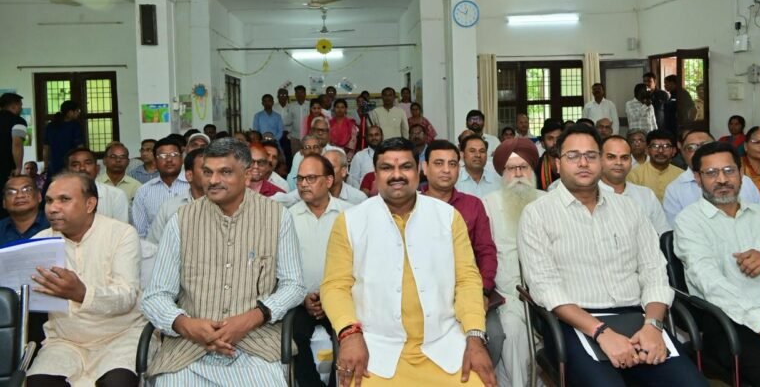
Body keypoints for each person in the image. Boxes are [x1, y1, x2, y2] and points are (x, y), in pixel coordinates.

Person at [518, 124, 707, 386]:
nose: (583, 163)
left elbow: (654, 271)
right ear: (558, 164)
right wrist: (602, 332)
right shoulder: (537, 214)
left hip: (639, 319)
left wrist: (653, 325)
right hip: (574, 323)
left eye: (591, 155)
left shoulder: (629, 208)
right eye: (573, 156)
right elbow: (545, 288)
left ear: (600, 162)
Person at [321, 137, 496, 386]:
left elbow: (467, 280)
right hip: (375, 349)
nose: (397, 175)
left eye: (405, 167)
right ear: (375, 174)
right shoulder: (351, 221)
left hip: (444, 344)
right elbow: (335, 286)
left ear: (418, 171)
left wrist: (475, 338)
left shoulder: (447, 217)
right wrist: (349, 335)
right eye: (387, 168)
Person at [141, 138, 305, 385]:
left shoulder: (276, 217)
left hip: (256, 345)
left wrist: (253, 317)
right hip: (188, 349)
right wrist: (185, 324)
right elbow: (155, 295)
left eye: (225, 172)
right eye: (208, 172)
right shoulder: (181, 220)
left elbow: (294, 285)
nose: (213, 180)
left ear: (247, 175)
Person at [674, 141, 760, 387]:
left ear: (741, 173)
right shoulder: (689, 222)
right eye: (711, 173)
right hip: (730, 323)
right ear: (698, 178)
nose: (722, 179)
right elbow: (710, 283)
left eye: (729, 171)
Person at [27, 172, 144, 387]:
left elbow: (127, 296)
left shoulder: (121, 234)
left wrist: (81, 293)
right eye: (49, 201)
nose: (53, 208)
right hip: (64, 342)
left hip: (119, 337)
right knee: (38, 382)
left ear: (90, 204)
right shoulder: (39, 243)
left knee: (118, 382)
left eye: (64, 199)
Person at [420, 140, 502, 365]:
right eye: (439, 163)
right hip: (424, 292)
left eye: (452, 164)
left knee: (494, 337)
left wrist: (483, 292)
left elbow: (486, 252)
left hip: (469, 289)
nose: (446, 170)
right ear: (425, 168)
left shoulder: (472, 205)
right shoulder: (412, 206)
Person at [482, 137, 543, 387]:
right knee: (512, 332)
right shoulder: (488, 204)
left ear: (532, 169)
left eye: (523, 167)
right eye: (511, 168)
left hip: (546, 295)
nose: (518, 174)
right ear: (502, 173)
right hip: (508, 296)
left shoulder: (547, 201)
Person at [289, 154, 351, 387]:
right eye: (300, 179)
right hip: (302, 301)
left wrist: (333, 297)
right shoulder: (288, 217)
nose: (304, 184)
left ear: (328, 180)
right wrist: (303, 297)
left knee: (347, 338)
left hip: (343, 299)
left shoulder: (349, 214)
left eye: (311, 178)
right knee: (295, 337)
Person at [663, 130, 760, 226]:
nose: (699, 151)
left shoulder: (745, 181)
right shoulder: (674, 189)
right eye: (691, 147)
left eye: (705, 145)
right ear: (682, 153)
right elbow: (676, 229)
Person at [599, 136, 670, 235]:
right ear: (599, 160)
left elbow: (663, 232)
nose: (618, 162)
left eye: (624, 158)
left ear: (631, 162)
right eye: (611, 157)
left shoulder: (646, 195)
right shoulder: (587, 196)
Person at [131, 137, 191, 238]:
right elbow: (140, 232)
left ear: (182, 159)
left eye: (174, 155)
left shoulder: (193, 186)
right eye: (162, 156)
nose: (169, 159)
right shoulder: (144, 191)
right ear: (155, 161)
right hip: (154, 246)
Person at [147, 148, 206, 245]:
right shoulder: (170, 207)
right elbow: (153, 246)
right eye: (207, 170)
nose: (214, 176)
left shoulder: (228, 206)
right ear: (189, 175)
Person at [66, 147, 129, 223]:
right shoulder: (58, 196)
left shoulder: (116, 195)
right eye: (75, 165)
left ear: (97, 168)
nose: (82, 168)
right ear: (67, 171)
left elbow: (122, 228)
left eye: (88, 163)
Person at [627, 129, 683, 202]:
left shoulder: (681, 176)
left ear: (674, 151)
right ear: (647, 150)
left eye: (666, 146)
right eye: (655, 146)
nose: (660, 151)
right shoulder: (634, 175)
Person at [0, 175, 49, 245]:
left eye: (27, 190)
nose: (19, 196)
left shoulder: (54, 224)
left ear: (39, 196)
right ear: (4, 202)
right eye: (11, 192)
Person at [43, 100, 83, 178]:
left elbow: (45, 148)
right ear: (70, 112)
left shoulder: (50, 126)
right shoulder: (75, 126)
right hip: (70, 163)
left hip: (54, 165)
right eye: (77, 111)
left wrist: (46, 166)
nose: (79, 113)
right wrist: (82, 163)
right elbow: (80, 147)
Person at [457, 134, 503, 198]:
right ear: (462, 155)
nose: (478, 155)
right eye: (472, 151)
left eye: (482, 151)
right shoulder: (455, 181)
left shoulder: (498, 181)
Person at [0, 93, 26, 187]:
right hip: (6, 167)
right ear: (14, 105)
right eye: (20, 105)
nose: (21, 108)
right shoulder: (18, 121)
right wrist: (18, 167)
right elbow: (17, 144)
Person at [535, 120, 562, 190]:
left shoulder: (573, 163)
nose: (555, 142)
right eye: (550, 138)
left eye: (559, 138)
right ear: (543, 144)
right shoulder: (536, 167)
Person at [289, 84, 311, 155]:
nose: (299, 95)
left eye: (301, 92)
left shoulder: (310, 105)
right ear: (295, 94)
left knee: (308, 155)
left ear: (305, 93)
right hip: (295, 137)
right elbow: (288, 121)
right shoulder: (291, 106)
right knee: (296, 156)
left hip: (307, 136)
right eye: (297, 93)